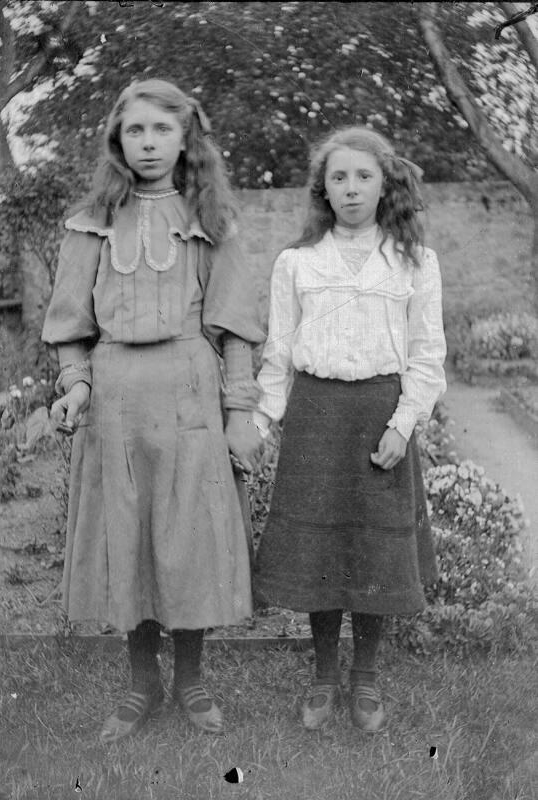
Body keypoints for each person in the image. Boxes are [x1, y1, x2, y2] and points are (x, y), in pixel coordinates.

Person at [41, 78, 265, 742]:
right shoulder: (91, 221)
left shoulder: (211, 219)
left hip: (190, 386)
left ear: (184, 137)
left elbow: (236, 327)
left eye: (161, 130)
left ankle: (191, 682)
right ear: (117, 138)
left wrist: (240, 411)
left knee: (187, 535)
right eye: (135, 131)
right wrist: (75, 384)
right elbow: (70, 324)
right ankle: (139, 683)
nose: (147, 143)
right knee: (127, 535)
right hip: (115, 397)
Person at [252, 127, 446, 733]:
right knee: (320, 550)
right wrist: (261, 423)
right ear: (323, 190)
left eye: (364, 176)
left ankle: (366, 678)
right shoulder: (297, 263)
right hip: (315, 417)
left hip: (380, 419)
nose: (352, 188)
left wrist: (404, 423)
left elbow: (426, 353)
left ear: (384, 184)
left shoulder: (414, 261)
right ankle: (324, 674)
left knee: (374, 550)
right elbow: (278, 355)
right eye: (339, 177)